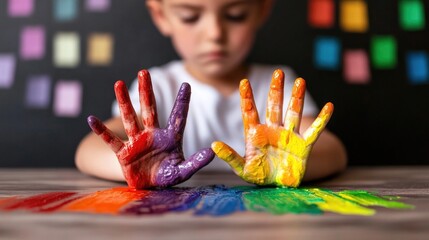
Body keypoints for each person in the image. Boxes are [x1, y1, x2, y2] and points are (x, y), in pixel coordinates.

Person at [75, 0, 347, 186]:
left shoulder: (278, 85)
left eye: (235, 15)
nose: (215, 33)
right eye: (190, 16)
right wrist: (139, 170)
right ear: (161, 16)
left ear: (262, 10)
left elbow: (332, 151)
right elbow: (88, 150)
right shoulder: (155, 88)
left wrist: (286, 168)